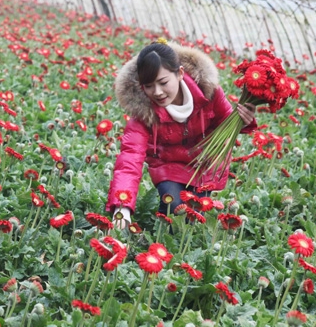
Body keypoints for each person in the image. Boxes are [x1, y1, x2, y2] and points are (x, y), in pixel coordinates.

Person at [105, 39, 256, 229]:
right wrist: (122, 208)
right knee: (175, 207)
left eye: (163, 82)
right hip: (168, 167)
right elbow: (129, 159)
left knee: (197, 221)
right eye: (149, 86)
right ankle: (164, 241)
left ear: (180, 74)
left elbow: (227, 123)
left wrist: (244, 119)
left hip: (204, 166)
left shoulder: (209, 93)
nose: (157, 92)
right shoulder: (144, 113)